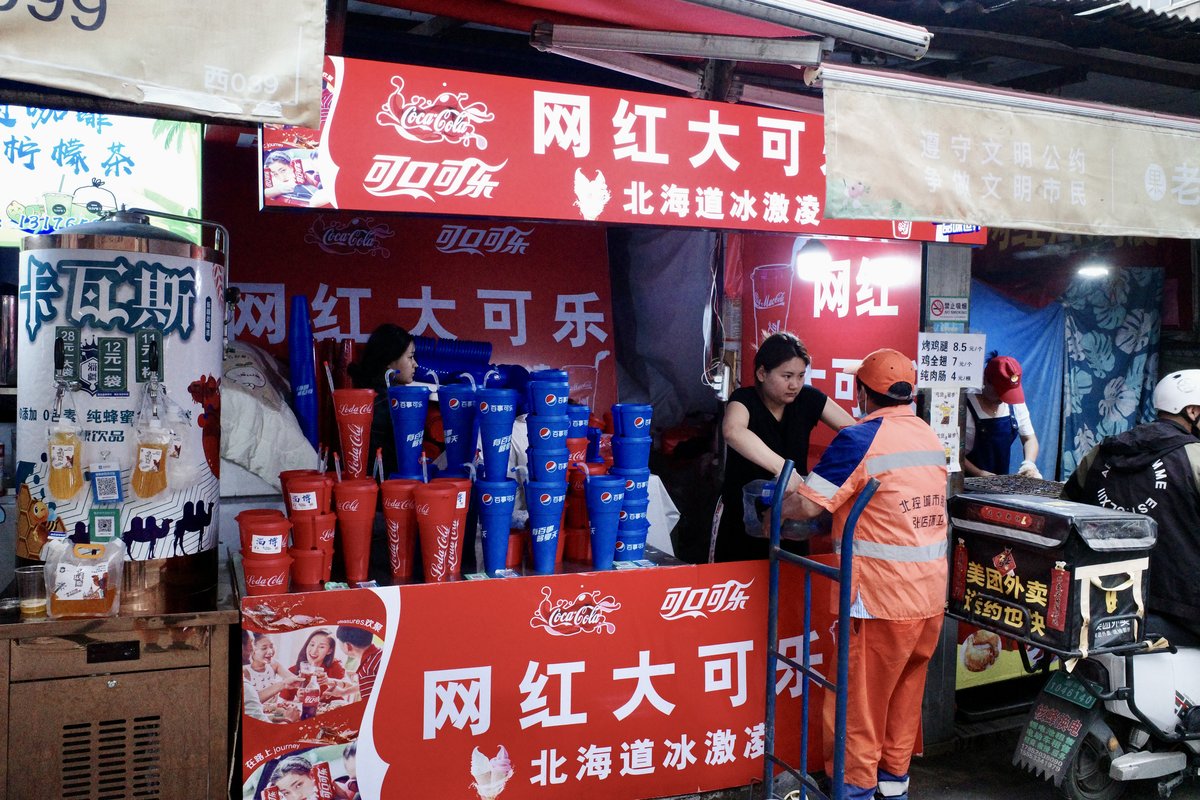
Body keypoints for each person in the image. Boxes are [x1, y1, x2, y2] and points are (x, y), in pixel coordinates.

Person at [781, 348, 948, 800]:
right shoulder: (929, 437)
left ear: (862, 393)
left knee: (859, 708)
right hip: (929, 599)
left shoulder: (861, 438)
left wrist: (771, 508)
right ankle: (894, 789)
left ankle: (853, 792)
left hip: (880, 601)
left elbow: (806, 505)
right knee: (902, 701)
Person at [1063, 369, 1200, 643]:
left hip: (1106, 600)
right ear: (1193, 412)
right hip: (1182, 608)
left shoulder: (1103, 452)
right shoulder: (1194, 457)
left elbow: (1067, 507)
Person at [715, 331, 854, 562]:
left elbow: (855, 434)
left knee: (791, 588)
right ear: (761, 373)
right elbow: (733, 431)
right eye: (787, 376)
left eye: (800, 376)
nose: (795, 385)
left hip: (792, 523)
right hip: (741, 519)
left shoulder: (809, 399)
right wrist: (784, 469)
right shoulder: (744, 399)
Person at [348, 323, 418, 478]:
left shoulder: (368, 395)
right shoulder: (388, 403)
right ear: (389, 360)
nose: (415, 364)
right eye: (410, 357)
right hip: (387, 488)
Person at [962, 353, 1041, 478]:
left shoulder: (1015, 404)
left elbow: (1029, 439)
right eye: (1000, 391)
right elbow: (950, 450)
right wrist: (979, 473)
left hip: (998, 482)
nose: (1004, 398)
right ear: (985, 379)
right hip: (964, 481)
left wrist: (1029, 464)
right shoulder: (963, 405)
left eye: (1008, 393)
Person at [278, 629, 347, 703]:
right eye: (312, 644)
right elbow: (284, 703)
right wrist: (298, 699)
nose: (314, 651)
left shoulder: (335, 665)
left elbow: (350, 686)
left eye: (321, 647)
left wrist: (329, 681)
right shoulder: (293, 671)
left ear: (329, 651)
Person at [243, 632, 300, 704]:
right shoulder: (245, 671)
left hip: (273, 712)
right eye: (264, 648)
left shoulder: (274, 664)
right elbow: (249, 701)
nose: (270, 651)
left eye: (271, 646)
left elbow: (294, 679)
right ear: (252, 650)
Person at [333, 625, 384, 703]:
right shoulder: (380, 653)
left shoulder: (367, 669)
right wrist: (343, 692)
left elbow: (371, 706)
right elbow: (373, 683)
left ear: (348, 646)